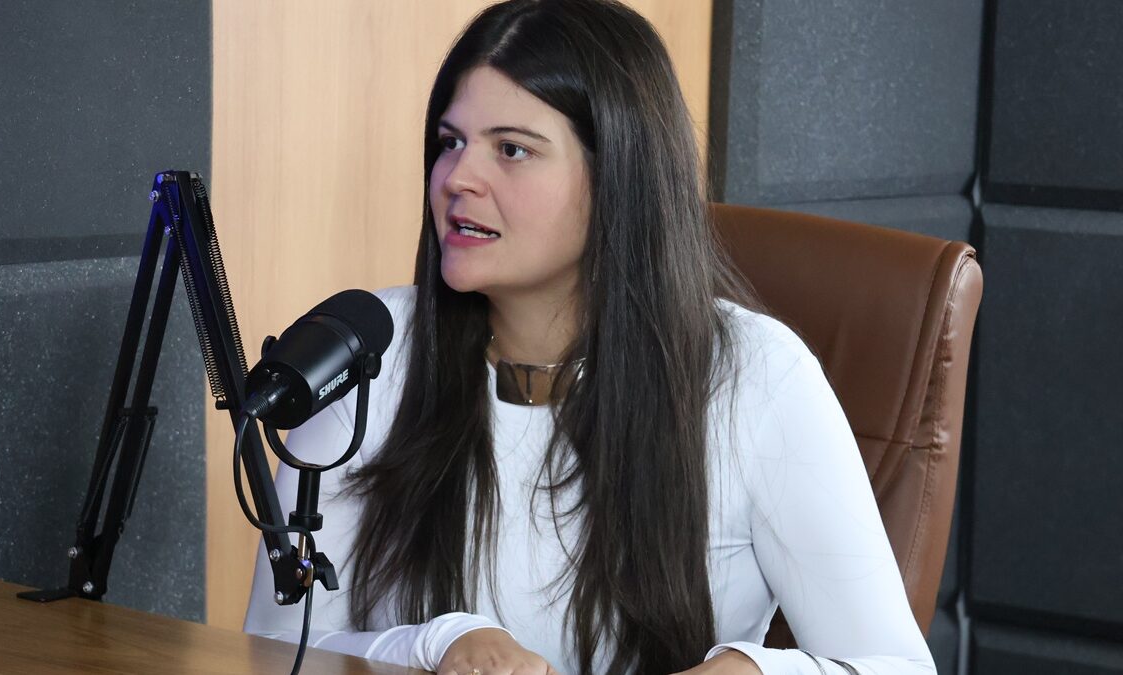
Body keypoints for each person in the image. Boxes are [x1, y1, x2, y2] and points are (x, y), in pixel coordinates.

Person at [244, 1, 937, 673]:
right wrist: (438, 642)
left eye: (512, 149)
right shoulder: (364, 354)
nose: (458, 178)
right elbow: (274, 654)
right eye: (450, 143)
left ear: (618, 176)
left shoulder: (757, 377)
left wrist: (752, 668)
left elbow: (896, 667)